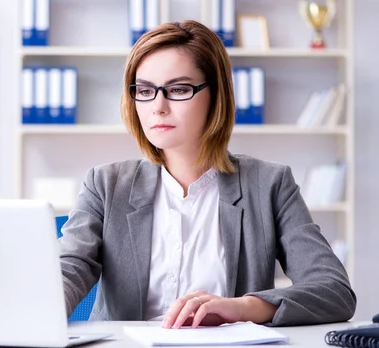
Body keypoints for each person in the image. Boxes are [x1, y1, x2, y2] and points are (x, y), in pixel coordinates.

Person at [58, 20, 356, 328]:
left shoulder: (269, 185)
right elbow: (67, 270)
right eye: (144, 90)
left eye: (178, 89)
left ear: (216, 95)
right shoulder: (106, 186)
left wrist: (243, 308)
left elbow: (334, 291)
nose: (157, 106)